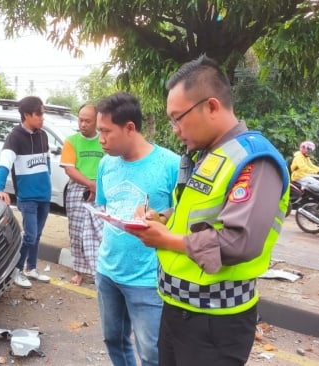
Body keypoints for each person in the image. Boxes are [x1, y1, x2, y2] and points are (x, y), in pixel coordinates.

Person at [129, 55, 290, 366]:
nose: (174, 129)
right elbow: (194, 217)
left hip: (215, 322)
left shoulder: (253, 159)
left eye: (178, 117)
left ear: (212, 106)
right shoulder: (204, 154)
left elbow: (239, 242)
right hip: (177, 308)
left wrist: (165, 240)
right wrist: (161, 220)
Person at [94, 92, 180, 366]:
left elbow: (185, 213)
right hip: (108, 271)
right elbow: (103, 206)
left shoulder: (170, 165)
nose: (101, 139)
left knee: (152, 352)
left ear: (130, 127)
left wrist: (162, 217)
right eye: (99, 131)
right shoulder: (106, 164)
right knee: (114, 341)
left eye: (106, 131)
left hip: (147, 278)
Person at [0, 96, 52, 288]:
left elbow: (47, 162)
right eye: (39, 113)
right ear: (27, 115)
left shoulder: (43, 135)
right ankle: (17, 270)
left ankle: (31, 268)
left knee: (38, 235)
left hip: (44, 195)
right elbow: (4, 164)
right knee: (30, 235)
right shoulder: (15, 137)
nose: (43, 117)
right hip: (27, 197)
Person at [59, 104, 105, 286]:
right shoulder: (71, 141)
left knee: (100, 233)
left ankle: (99, 271)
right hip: (78, 190)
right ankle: (79, 272)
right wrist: (90, 184)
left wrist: (97, 187)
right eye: (81, 120)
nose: (83, 124)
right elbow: (70, 169)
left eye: (88, 121)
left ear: (96, 121)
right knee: (77, 232)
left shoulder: (104, 140)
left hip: (102, 190)